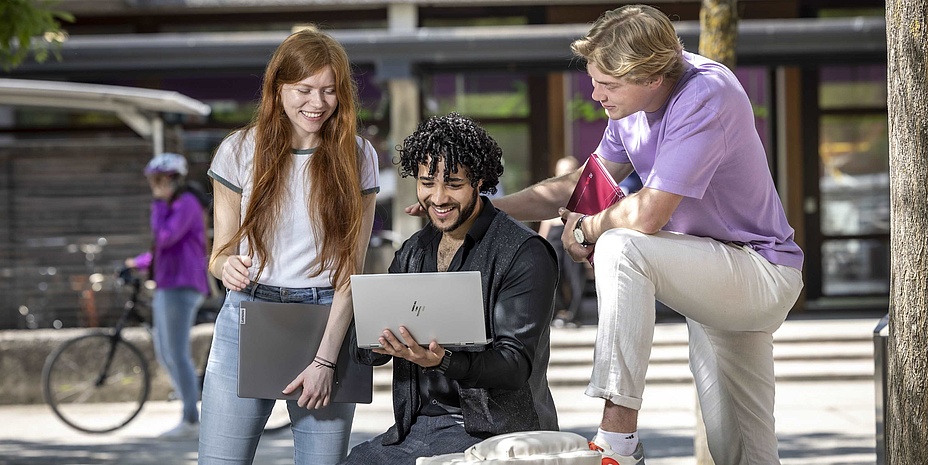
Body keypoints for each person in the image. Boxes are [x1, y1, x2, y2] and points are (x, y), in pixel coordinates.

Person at [428, 6, 805, 464]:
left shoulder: (707, 92)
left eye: (608, 85)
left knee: (622, 247)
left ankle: (618, 436)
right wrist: (483, 210)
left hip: (759, 270)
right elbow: (583, 187)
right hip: (710, 273)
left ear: (650, 75)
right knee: (742, 451)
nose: (594, 94)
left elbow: (647, 215)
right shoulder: (632, 107)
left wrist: (588, 228)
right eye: (594, 80)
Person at [198, 26, 379, 465]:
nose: (316, 104)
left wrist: (325, 362)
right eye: (304, 89)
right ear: (278, 87)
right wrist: (225, 268)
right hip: (246, 317)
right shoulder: (239, 150)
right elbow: (219, 253)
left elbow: (351, 270)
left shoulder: (357, 156)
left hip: (326, 324)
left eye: (329, 91)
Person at [342, 113, 559, 465]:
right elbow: (364, 349)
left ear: (480, 181)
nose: (438, 197)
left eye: (453, 184)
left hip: (496, 431)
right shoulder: (413, 251)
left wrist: (444, 361)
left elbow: (514, 365)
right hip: (416, 428)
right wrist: (378, 342)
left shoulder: (523, 251)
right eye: (427, 183)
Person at [126, 152, 210, 439]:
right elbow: (162, 249)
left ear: (173, 179)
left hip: (182, 286)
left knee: (176, 353)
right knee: (164, 352)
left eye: (159, 180)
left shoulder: (185, 204)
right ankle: (190, 409)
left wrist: (159, 205)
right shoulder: (172, 204)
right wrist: (136, 264)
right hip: (167, 284)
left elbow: (165, 237)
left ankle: (191, 419)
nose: (154, 185)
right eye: (152, 180)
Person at [537, 156, 589, 328]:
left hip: (576, 233)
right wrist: (540, 242)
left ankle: (574, 314)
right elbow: (545, 220)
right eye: (562, 171)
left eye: (569, 171)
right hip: (554, 232)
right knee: (553, 275)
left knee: (575, 276)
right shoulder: (551, 191)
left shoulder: (583, 192)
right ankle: (559, 311)